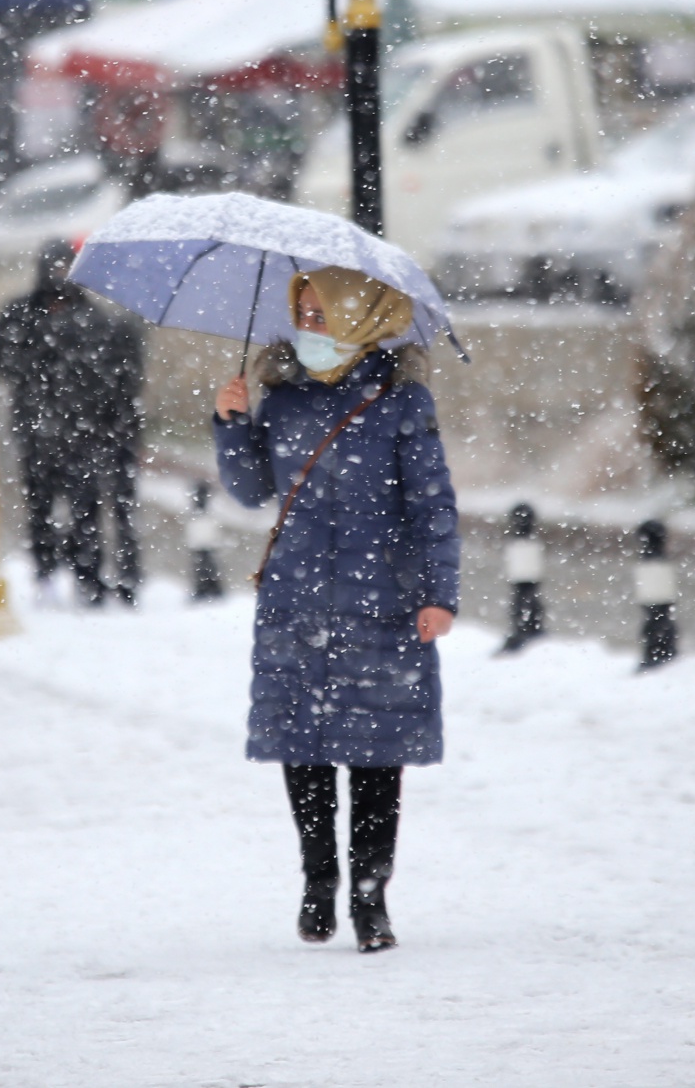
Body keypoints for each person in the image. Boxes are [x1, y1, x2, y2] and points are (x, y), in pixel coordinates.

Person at [212, 266, 459, 952]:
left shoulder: (401, 402)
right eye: (304, 315)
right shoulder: (283, 398)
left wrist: (441, 594)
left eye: (323, 315)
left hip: (383, 604)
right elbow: (253, 487)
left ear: (361, 316)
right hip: (297, 604)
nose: (309, 329)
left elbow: (432, 505)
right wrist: (233, 424)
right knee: (305, 747)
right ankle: (318, 879)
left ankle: (370, 895)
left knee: (378, 759)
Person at [0, 239, 144, 605]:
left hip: (83, 433)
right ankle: (47, 572)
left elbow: (115, 378)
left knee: (85, 508)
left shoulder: (99, 322)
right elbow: (6, 364)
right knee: (41, 507)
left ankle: (88, 577)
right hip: (38, 433)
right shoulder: (19, 316)